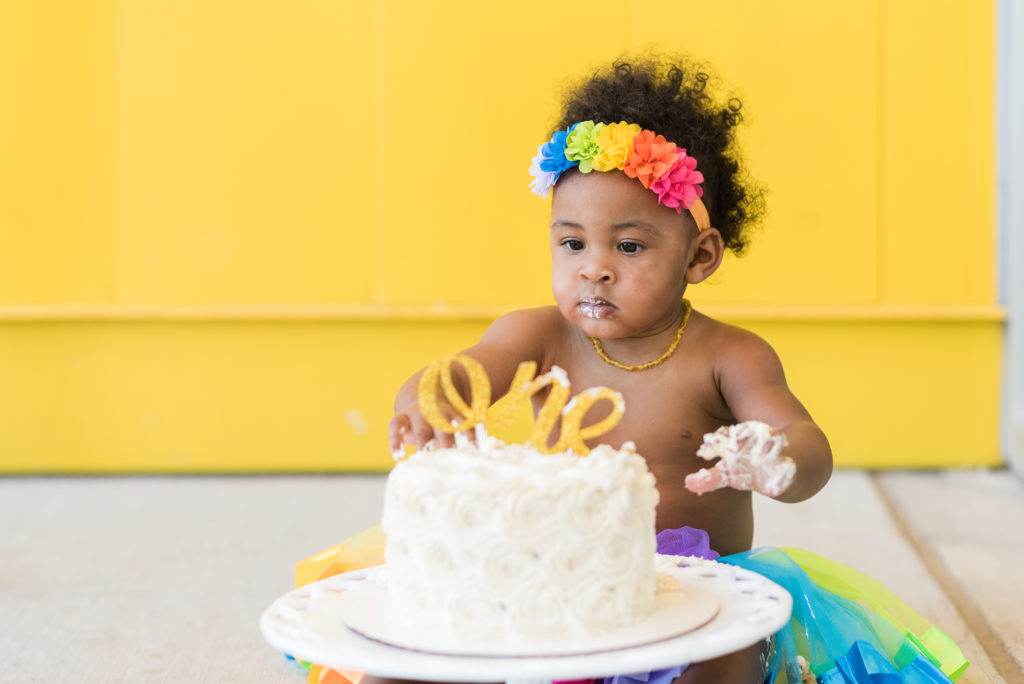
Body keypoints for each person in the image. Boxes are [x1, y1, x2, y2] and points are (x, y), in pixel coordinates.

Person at [307, 57, 967, 684]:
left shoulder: (729, 356)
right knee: (414, 648)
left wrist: (773, 458)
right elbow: (461, 373)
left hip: (699, 593)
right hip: (553, 578)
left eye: (628, 245)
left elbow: (807, 447)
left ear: (699, 256)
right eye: (572, 243)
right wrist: (429, 404)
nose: (593, 267)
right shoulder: (534, 334)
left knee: (726, 658)